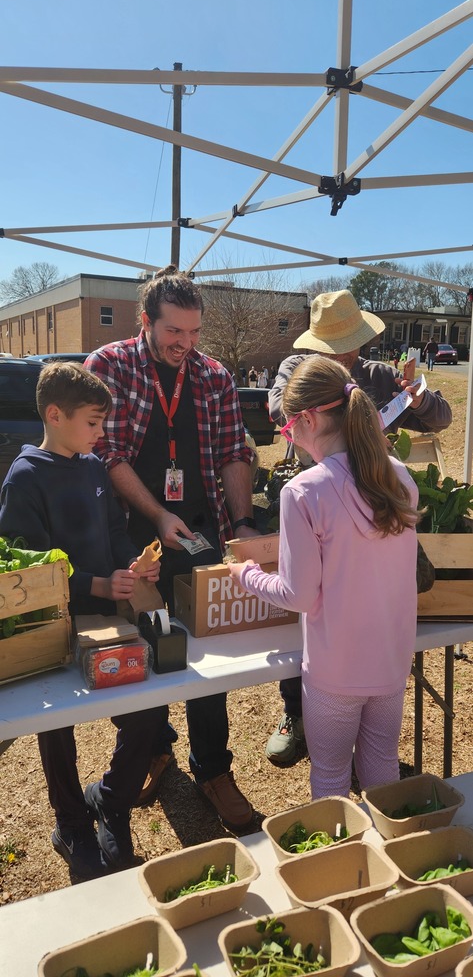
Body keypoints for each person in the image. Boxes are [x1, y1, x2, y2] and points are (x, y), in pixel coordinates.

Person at [85, 266, 258, 832]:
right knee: (146, 642)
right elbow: (105, 454)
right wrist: (157, 514)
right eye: (173, 334)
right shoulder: (108, 366)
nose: (185, 345)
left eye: (194, 334)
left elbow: (234, 450)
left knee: (205, 652)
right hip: (133, 533)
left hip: (198, 531)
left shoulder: (213, 376)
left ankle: (213, 767)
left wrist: (244, 523)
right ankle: (154, 745)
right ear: (146, 322)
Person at [267, 289, 452, 765]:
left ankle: (337, 698)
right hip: (324, 491)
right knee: (316, 605)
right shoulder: (295, 371)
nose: (346, 353)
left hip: (375, 496)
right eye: (336, 346)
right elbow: (278, 410)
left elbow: (442, 418)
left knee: (354, 597)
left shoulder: (380, 375)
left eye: (351, 344)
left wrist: (419, 396)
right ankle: (297, 711)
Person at [0, 363, 164, 880]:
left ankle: (111, 800)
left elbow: (115, 531)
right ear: (55, 414)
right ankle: (71, 822)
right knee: (57, 727)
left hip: (107, 619)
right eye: (93, 423)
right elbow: (28, 573)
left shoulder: (94, 467)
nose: (100, 434)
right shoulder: (24, 479)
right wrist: (94, 583)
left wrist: (134, 564)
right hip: (52, 628)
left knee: (147, 712)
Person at [229, 356, 419, 798]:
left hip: (335, 670)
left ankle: (336, 865)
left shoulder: (303, 491)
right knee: (382, 773)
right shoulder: (401, 477)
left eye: (287, 426)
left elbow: (297, 595)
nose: (288, 436)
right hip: (391, 662)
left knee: (330, 782)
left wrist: (247, 573)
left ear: (309, 419)